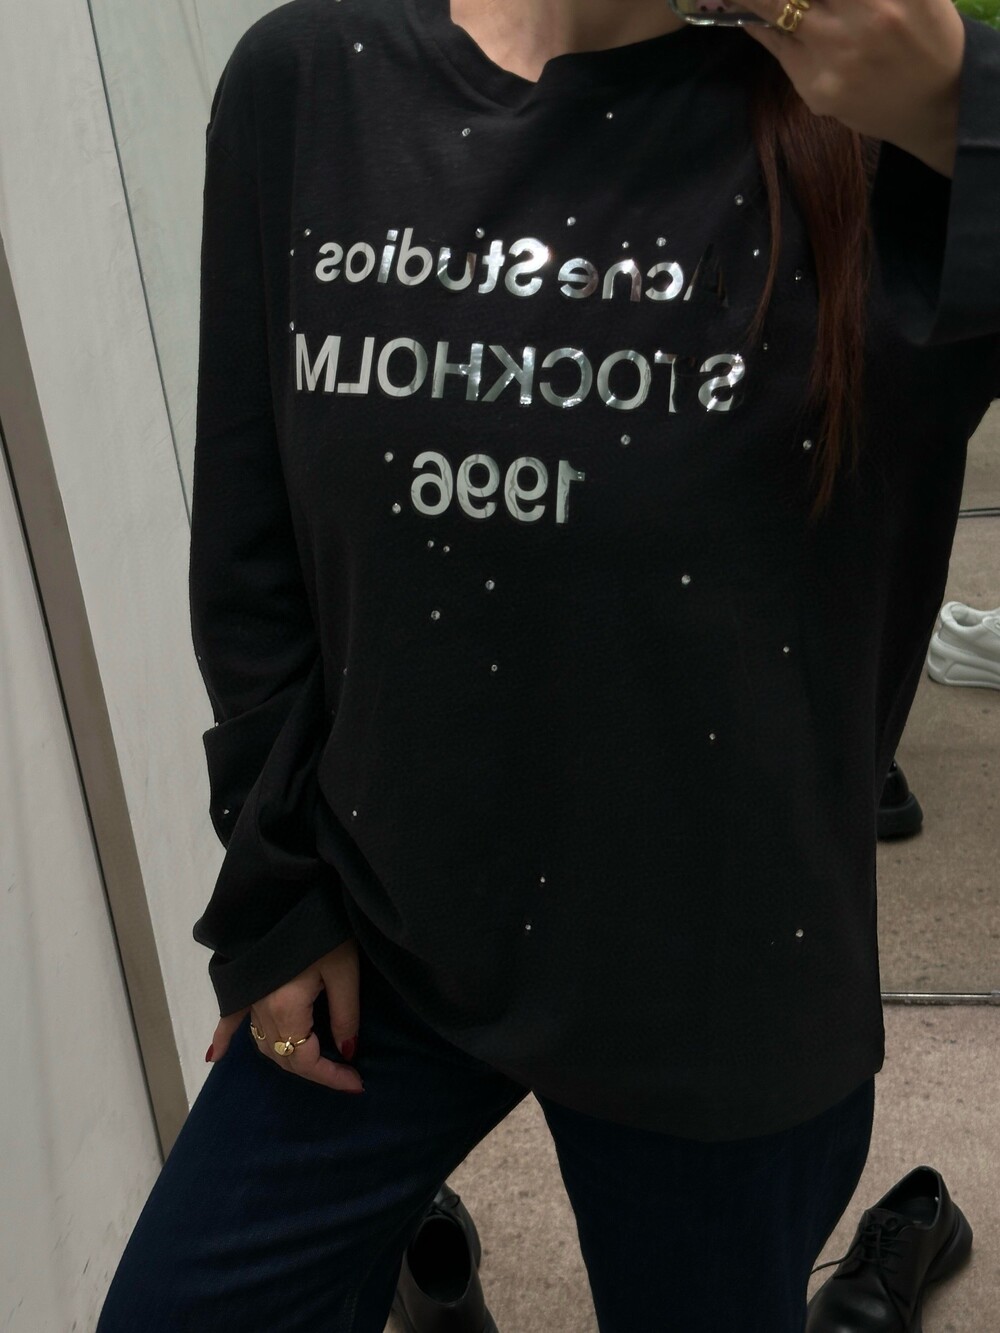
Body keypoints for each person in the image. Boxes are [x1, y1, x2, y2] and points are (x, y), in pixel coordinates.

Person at [97, 0, 1000, 1328]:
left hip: (725, 974)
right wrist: (277, 895)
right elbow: (254, 547)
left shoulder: (874, 130)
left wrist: (960, 103)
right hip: (387, 926)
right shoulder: (314, 81)